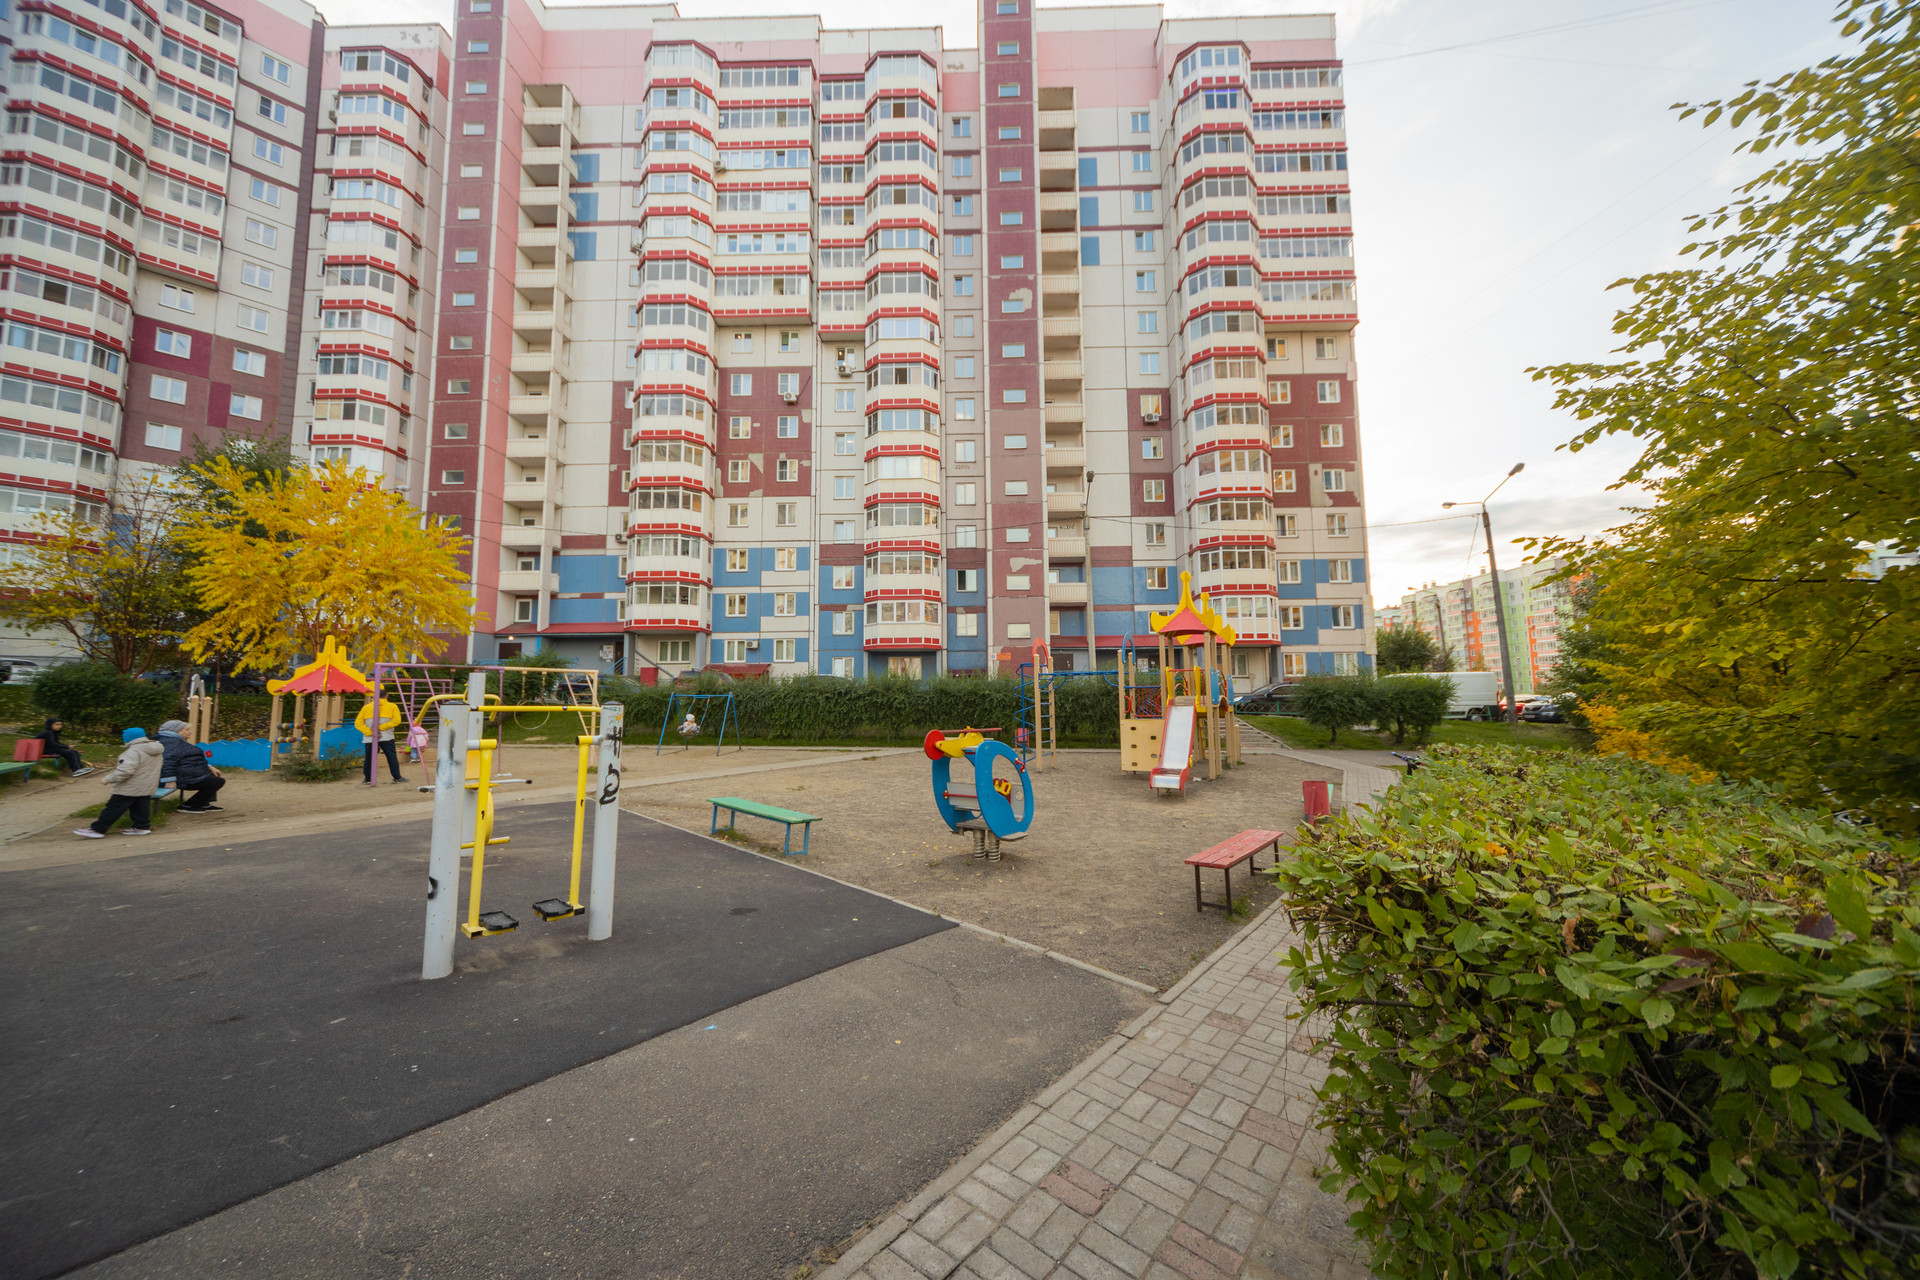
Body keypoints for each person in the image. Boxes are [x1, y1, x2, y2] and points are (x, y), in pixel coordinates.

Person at [74, 728, 162, 838]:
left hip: (129, 786)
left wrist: (108, 779)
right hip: (147, 784)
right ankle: (142, 826)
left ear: (128, 738)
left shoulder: (132, 752)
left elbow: (125, 771)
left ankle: (98, 829)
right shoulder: (155, 749)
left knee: (114, 807)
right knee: (140, 805)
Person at [156, 719, 225, 812]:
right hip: (179, 779)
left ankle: (203, 803)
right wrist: (170, 779)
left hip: (185, 775)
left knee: (213, 775)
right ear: (177, 731)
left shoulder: (174, 741)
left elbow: (187, 757)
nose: (190, 732)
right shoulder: (170, 743)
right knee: (217, 781)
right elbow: (167, 762)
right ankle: (189, 805)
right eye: (187, 730)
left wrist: (209, 766)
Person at [356, 695, 406, 784]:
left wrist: (370, 732)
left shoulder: (366, 707)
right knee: (391, 757)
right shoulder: (392, 706)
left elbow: (358, 723)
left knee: (369, 758)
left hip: (370, 738)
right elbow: (396, 721)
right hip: (386, 736)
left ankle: (367, 779)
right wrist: (380, 727)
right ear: (386, 696)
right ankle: (397, 777)